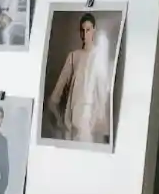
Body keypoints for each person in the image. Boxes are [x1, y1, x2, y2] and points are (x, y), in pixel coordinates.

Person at [47, 12, 112, 143]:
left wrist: (102, 125)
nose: (85, 34)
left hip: (92, 126)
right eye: (82, 30)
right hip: (72, 123)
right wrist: (61, 121)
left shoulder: (100, 56)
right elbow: (55, 95)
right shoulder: (73, 56)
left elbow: (103, 95)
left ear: (94, 30)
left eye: (88, 30)